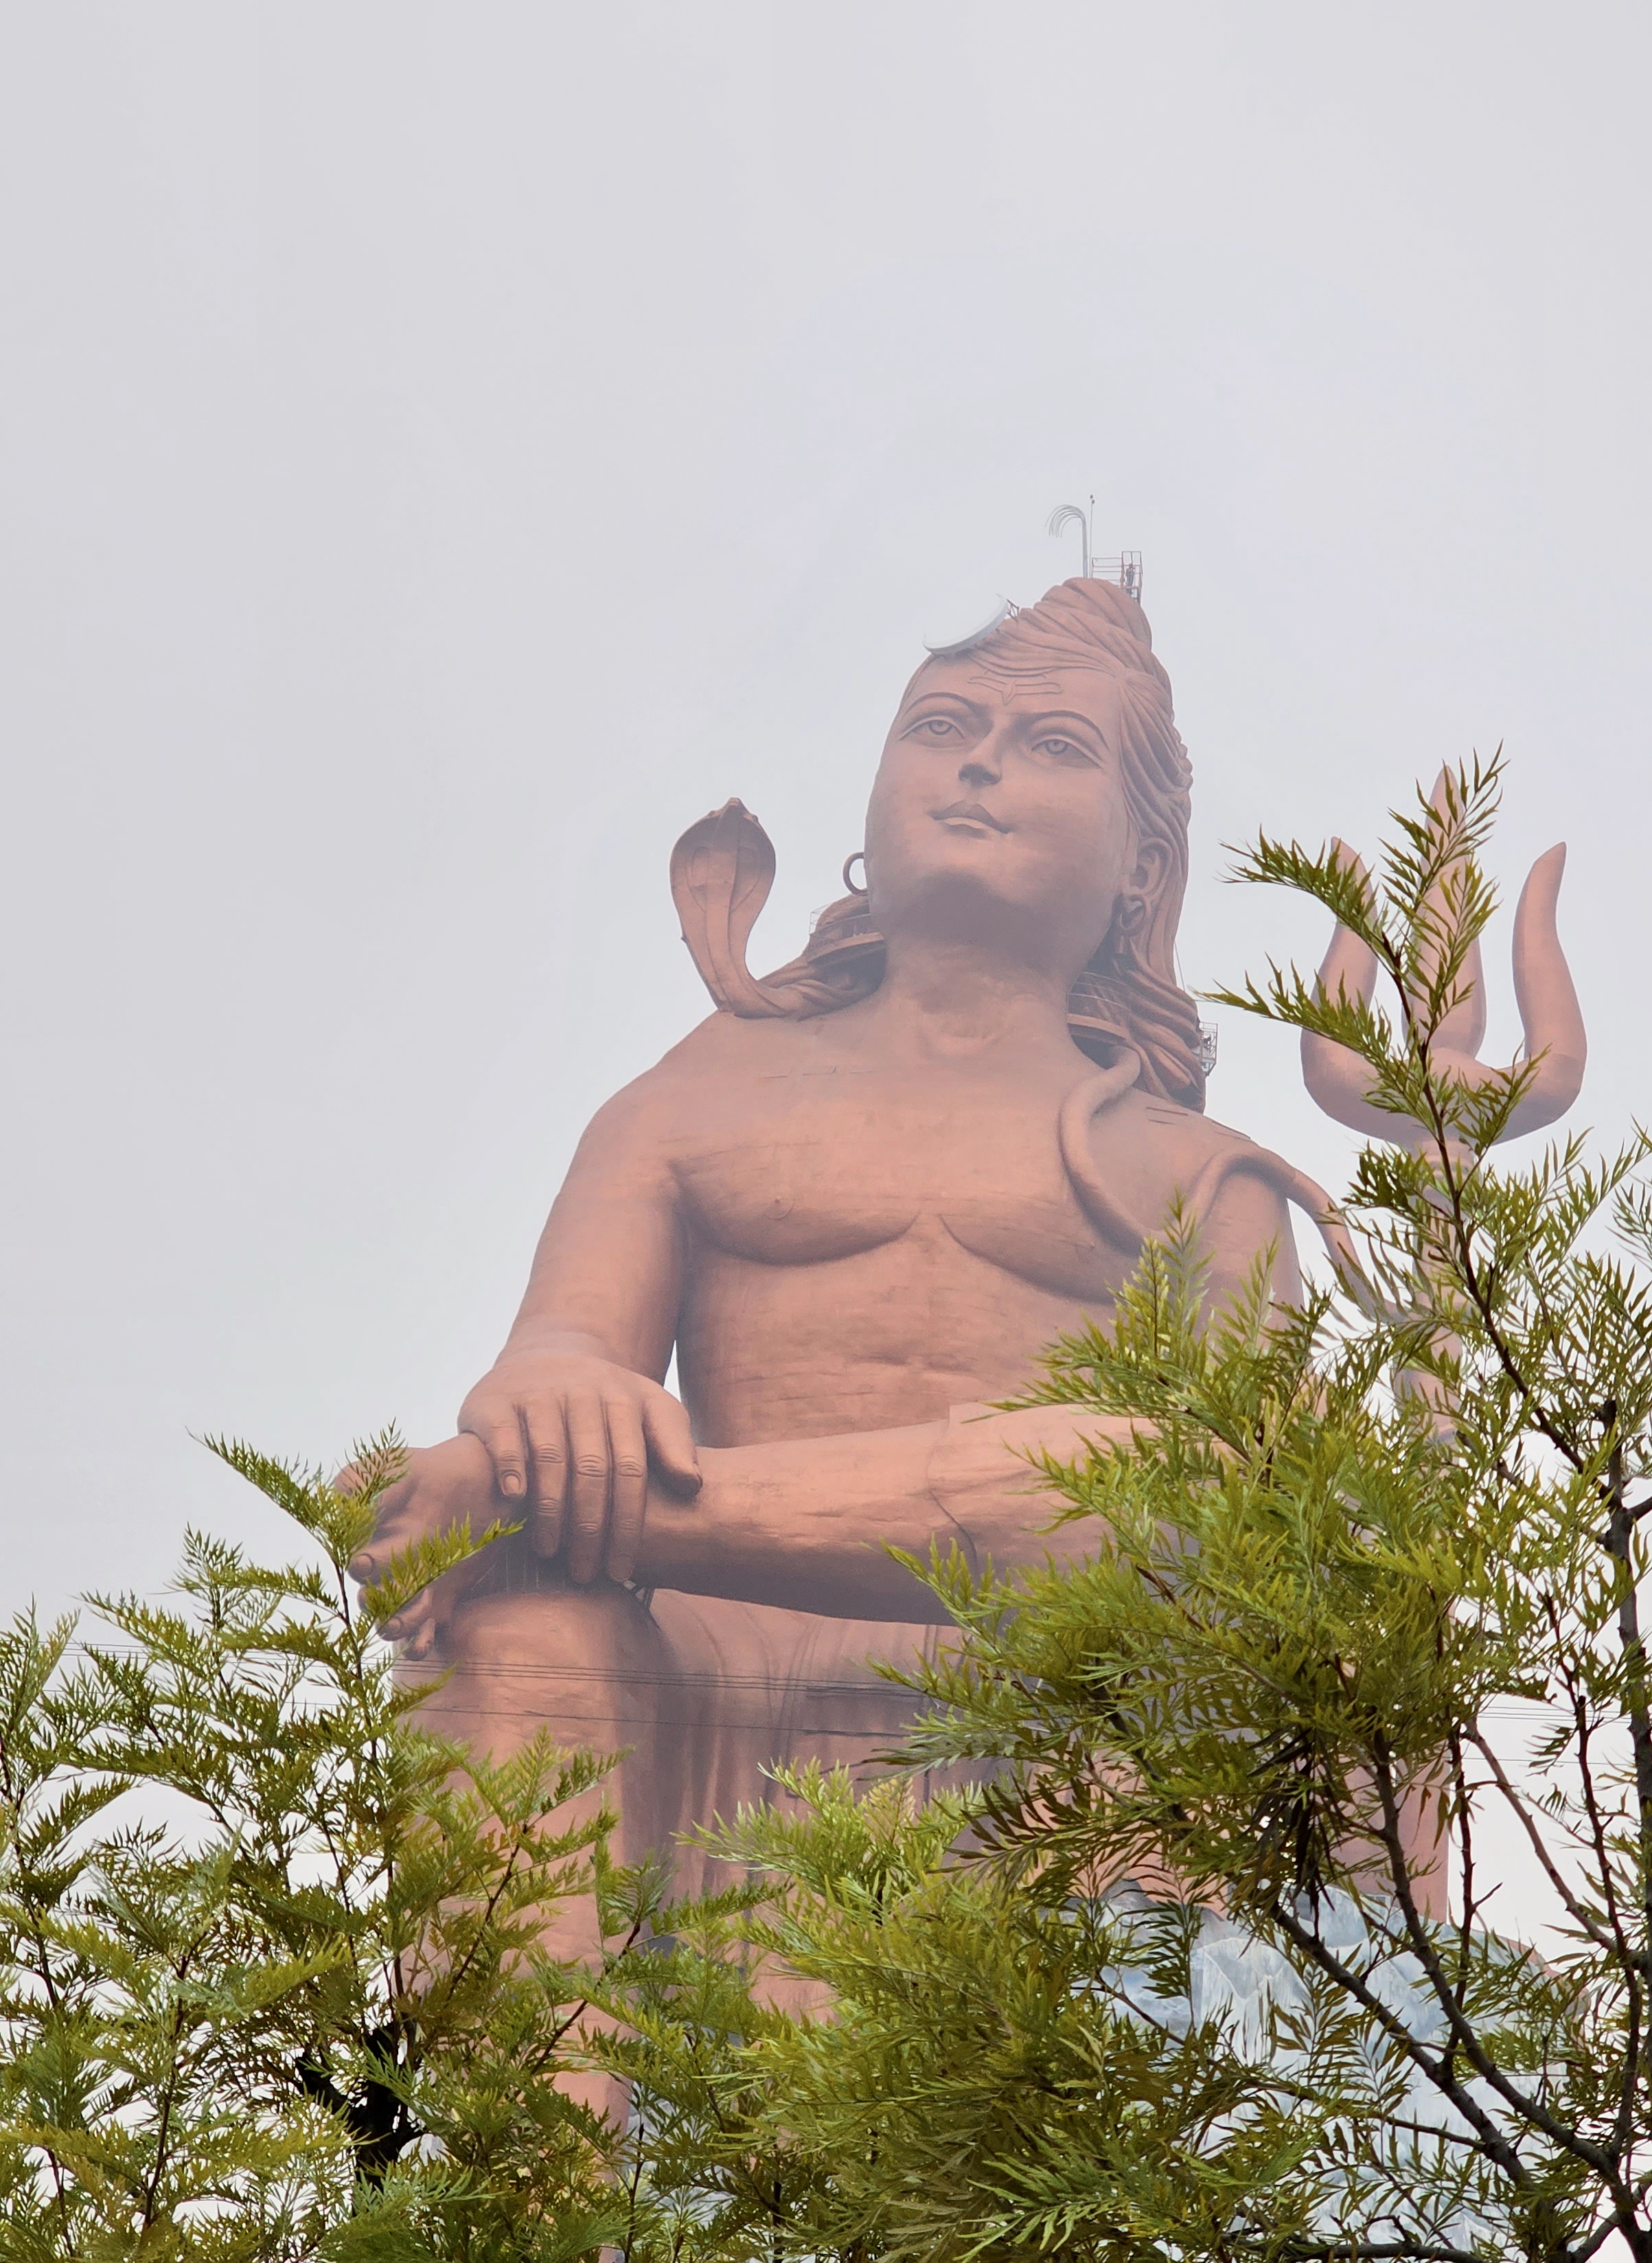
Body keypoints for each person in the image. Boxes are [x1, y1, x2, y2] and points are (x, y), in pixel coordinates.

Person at [354, 579, 1348, 1949]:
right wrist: (554, 1404)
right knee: (522, 1644)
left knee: (1151, 1475)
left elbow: (1238, 1521)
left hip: (1047, 1693)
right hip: (717, 1677)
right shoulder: (691, 1101)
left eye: (1051, 743)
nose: (982, 761)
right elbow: (560, 1354)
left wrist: (564, 1494)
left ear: (1141, 866)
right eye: (943, 725)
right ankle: (545, 2168)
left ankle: (642, 1521)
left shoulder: (1199, 1175)